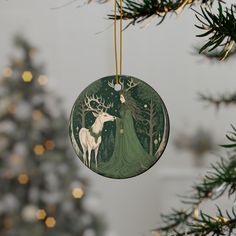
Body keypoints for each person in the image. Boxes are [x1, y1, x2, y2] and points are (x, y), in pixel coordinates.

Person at [98, 92, 154, 179]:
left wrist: (120, 123)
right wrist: (118, 120)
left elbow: (128, 120)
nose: (120, 99)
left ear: (125, 98)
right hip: (122, 130)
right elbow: (123, 118)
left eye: (121, 97)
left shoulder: (128, 108)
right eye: (120, 97)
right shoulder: (123, 106)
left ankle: (131, 158)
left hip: (127, 131)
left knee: (129, 148)